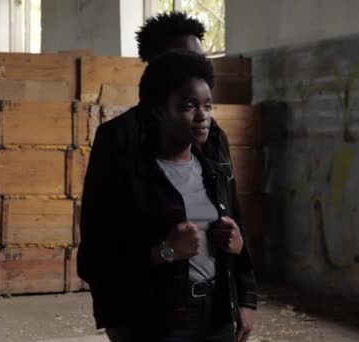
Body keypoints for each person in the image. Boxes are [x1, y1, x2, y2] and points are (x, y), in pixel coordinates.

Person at [78, 12, 257, 342]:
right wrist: (111, 317)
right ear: (158, 66)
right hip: (154, 315)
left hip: (215, 311)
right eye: (185, 59)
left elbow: (232, 218)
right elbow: (98, 236)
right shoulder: (118, 138)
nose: (197, 70)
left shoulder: (214, 136)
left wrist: (244, 297)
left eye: (200, 61)